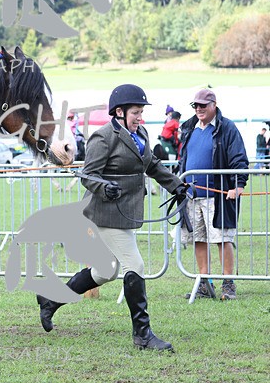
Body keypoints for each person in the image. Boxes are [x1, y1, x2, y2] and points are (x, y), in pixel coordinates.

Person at [36, 84, 186, 351]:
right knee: (135, 265)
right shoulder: (102, 137)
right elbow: (88, 176)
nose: (140, 117)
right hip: (104, 213)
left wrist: (176, 185)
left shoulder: (140, 133)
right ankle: (143, 335)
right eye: (136, 112)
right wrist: (104, 187)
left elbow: (150, 164)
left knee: (106, 271)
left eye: (141, 112)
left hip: (125, 212)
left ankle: (50, 299)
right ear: (119, 112)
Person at [178, 89, 248, 300]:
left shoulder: (227, 128)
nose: (198, 109)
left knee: (222, 238)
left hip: (218, 195)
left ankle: (228, 284)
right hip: (192, 195)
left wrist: (238, 185)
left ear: (214, 105)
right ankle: (204, 282)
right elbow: (184, 157)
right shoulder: (189, 128)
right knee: (198, 238)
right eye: (195, 106)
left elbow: (238, 157)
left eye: (203, 105)